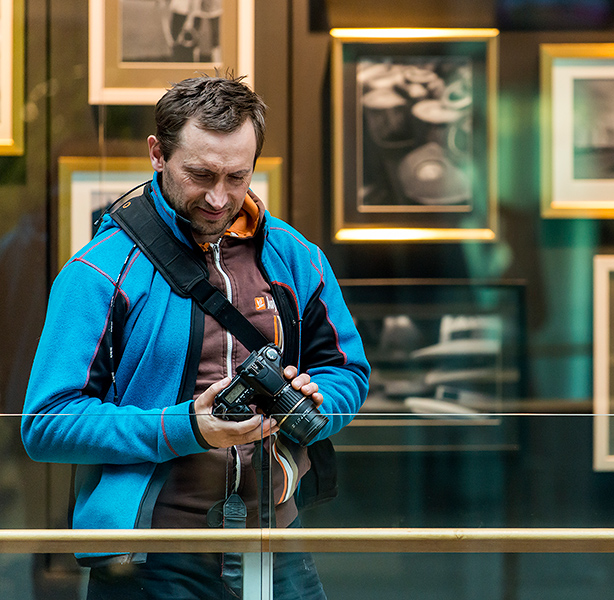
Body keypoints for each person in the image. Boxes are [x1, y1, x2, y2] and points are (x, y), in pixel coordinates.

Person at [21, 74, 370, 599]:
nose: (218, 197)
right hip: (152, 554)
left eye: (237, 176)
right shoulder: (98, 272)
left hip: (274, 540)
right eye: (200, 174)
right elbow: (46, 426)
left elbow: (347, 370)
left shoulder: (296, 256)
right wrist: (187, 427)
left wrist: (319, 403)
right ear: (157, 154)